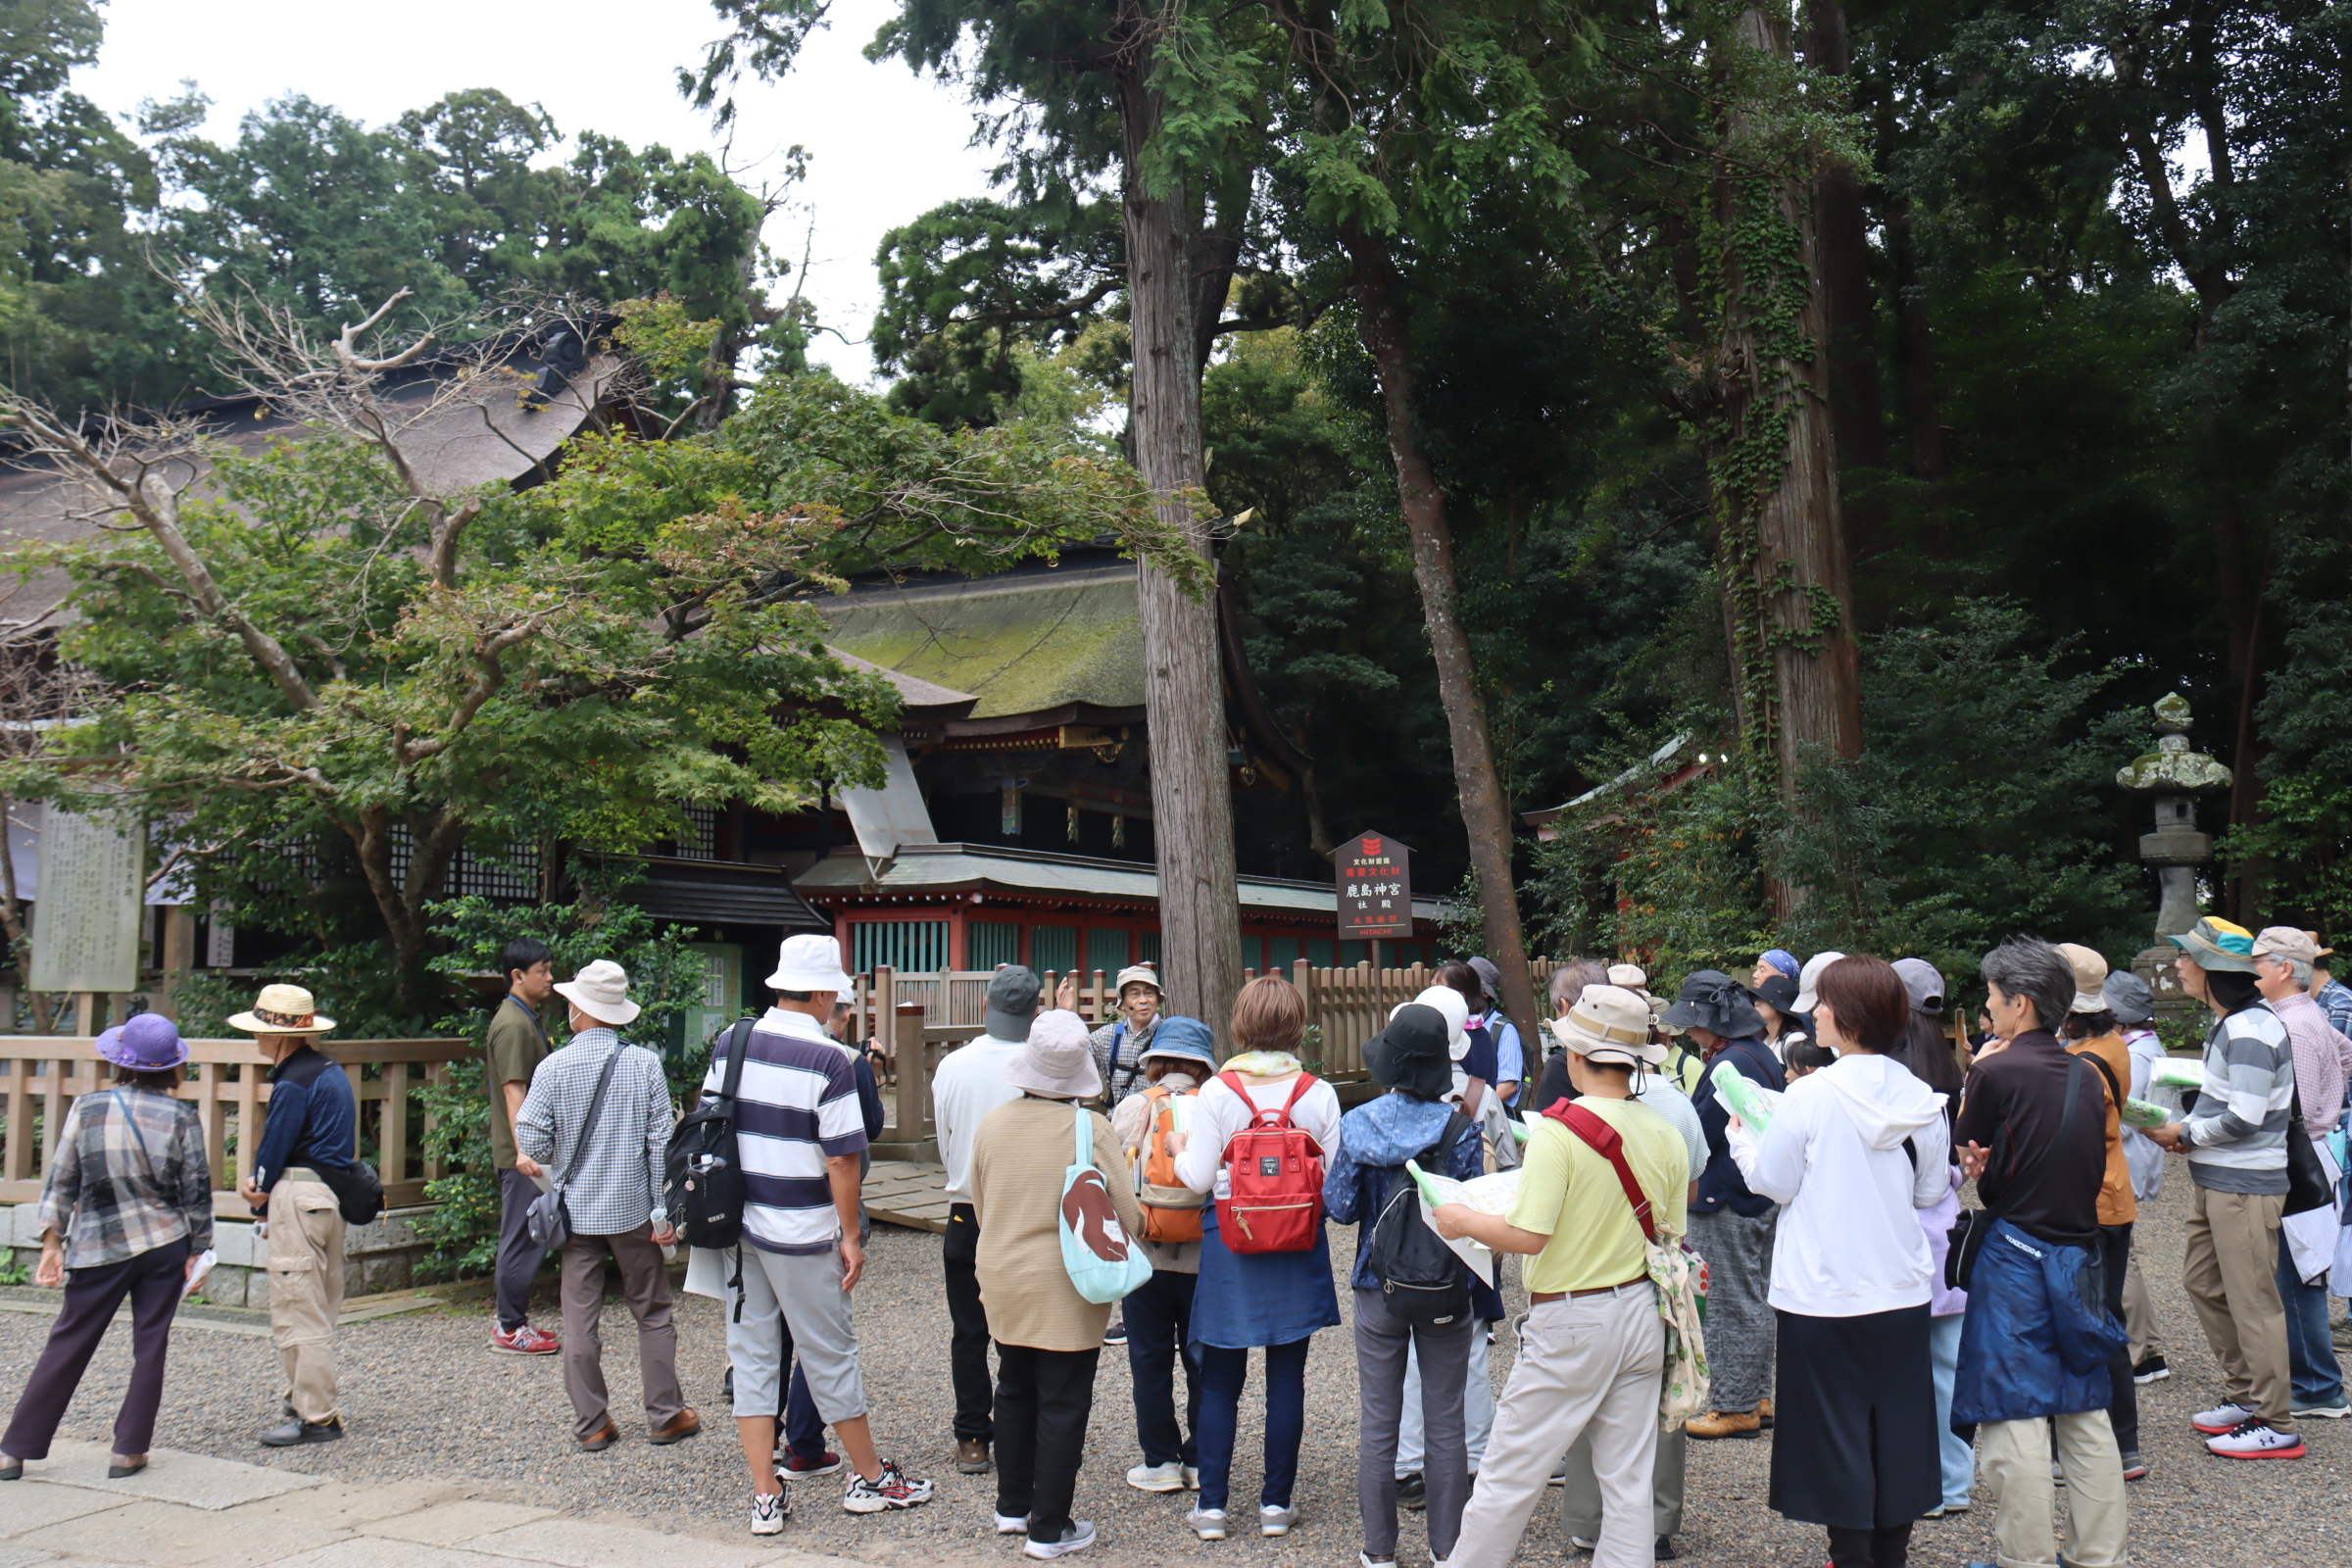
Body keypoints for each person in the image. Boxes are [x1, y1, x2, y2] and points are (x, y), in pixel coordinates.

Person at [1434, 985, 1689, 1568]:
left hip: (1572, 1318)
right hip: (1644, 1314)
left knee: (1509, 1471)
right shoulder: (1665, 1131)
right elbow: (1671, 1231)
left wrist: (1462, 1218)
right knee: (1627, 1481)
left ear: (1575, 1057)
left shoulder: (1558, 1129)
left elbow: (1530, 1236)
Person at [1727, 955, 1951, 1568]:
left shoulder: (1809, 1097)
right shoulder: (1923, 1100)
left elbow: (1774, 1183)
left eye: (1823, 1003)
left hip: (1821, 1293)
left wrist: (1742, 1137)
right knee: (1899, 1429)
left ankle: (1847, 1556)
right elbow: (1929, 1194)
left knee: (1833, 1433)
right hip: (1900, 1289)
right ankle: (1891, 1555)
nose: (1815, 1012)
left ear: (1847, 1018)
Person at [1952, 938, 2130, 1568]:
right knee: (2083, 1410)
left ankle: (2023, 1558)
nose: (1987, 1008)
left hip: (2015, 1255)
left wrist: (1980, 1163)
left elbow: (1968, 1149)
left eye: (1993, 997)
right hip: (2078, 1257)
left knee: (2014, 1414)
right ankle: (2097, 1556)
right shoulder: (2089, 1074)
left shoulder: (1994, 1070)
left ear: (2019, 1003)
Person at [0, 1015, 212, 1481]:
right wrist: (199, 1250)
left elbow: (62, 1177)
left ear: (121, 1061)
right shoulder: (182, 1117)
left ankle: (15, 1450)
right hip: (164, 1242)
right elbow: (196, 1189)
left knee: (69, 1340)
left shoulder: (88, 1107)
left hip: (99, 1242)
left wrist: (52, 1242)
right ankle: (128, 1451)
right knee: (150, 1344)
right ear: (171, 1067)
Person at [1171, 975, 1344, 1542]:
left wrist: (1176, 1153)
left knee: (1220, 1377)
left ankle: (1215, 1508)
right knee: (1286, 1377)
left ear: (1241, 1025)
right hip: (1295, 1238)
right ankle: (1275, 1505)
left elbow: (1197, 1179)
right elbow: (1335, 1186)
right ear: (1297, 1027)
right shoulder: (1317, 1092)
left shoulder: (1218, 1092)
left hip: (1233, 1238)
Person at [970, 1009, 1145, 1559]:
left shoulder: (993, 1124)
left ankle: (1011, 1507)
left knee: (1014, 1386)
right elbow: (1129, 1218)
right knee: (1064, 1400)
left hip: (1002, 1273)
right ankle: (1050, 1527)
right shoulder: (1089, 1128)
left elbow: (980, 1203)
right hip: (1066, 1281)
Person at [1323, 1003, 1485, 1568]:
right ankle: (1447, 1549)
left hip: (1376, 1283)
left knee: (1379, 1419)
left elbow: (1340, 1207)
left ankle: (1379, 1552)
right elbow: (1474, 1210)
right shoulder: (1462, 1129)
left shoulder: (1358, 1123)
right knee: (1446, 1421)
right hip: (1444, 1285)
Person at [513, 959, 693, 1453]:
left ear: (577, 1009)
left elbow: (533, 1142)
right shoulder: (645, 1064)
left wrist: (558, 1154)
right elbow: (662, 1143)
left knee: (579, 1320)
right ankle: (665, 1415)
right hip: (634, 1209)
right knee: (652, 1311)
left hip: (576, 1214)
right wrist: (662, 1212)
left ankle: (592, 1422)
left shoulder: (552, 1067)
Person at [2144, 916, 2304, 1457]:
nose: (2179, 965)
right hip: (2222, 1180)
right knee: (2203, 1283)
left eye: (2187, 957)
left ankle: (2275, 1421)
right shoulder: (2234, 1022)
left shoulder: (2249, 1028)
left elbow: (2248, 1117)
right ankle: (2247, 1397)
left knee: (2254, 1300)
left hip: (2244, 1185)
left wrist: (2182, 1132)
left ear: (2213, 967)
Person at [1558, 1007, 1705, 1562]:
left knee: (1584, 1405)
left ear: (1579, 1053)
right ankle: (1657, 1521)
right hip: (1658, 1277)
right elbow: (1686, 1204)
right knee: (1656, 1403)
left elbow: (1536, 1224)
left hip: (1582, 1279)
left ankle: (1586, 1521)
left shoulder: (1562, 1121)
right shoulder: (1672, 1111)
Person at [230, 984, 357, 1446]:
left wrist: (257, 1188)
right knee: (317, 1304)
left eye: (261, 1032)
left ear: (277, 1035)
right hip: (328, 1197)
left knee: (297, 1309)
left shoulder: (293, 1081)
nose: (257, 1040)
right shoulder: (329, 1071)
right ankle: (303, 1396)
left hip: (298, 1196)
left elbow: (275, 1145)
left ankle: (317, 1415)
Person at [1667, 969, 1784, 1440]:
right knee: (1754, 1296)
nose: (1688, 1032)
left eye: (1692, 1023)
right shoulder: (1759, 1052)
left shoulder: (1728, 1065)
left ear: (1711, 1019)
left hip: (1727, 1197)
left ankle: (1735, 1405)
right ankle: (1757, 1396)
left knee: (1731, 1301)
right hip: (1758, 1192)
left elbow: (1702, 1134)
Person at [932, 964, 1039, 1474]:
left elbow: (946, 1142)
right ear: (1035, 1010)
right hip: (1026, 1213)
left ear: (985, 1006)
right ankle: (1026, 1427)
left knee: (969, 1331)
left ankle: (973, 1436)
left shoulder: (953, 1065)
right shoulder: (1041, 1066)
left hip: (966, 1210)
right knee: (1023, 1328)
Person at [1107, 1015, 1217, 1493]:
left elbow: (1112, 1178)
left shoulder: (1135, 1106)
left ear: (1156, 1062)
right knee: (1202, 1361)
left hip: (1145, 1253)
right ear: (1201, 1066)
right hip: (1203, 1255)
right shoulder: (1215, 1106)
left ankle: (1159, 1463)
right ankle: (1197, 1459)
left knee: (1148, 1359)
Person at [2249, 926, 2349, 1420]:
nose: (2252, 970)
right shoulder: (2308, 1013)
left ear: (2284, 969)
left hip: (2301, 1155)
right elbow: (2346, 1055)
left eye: (2259, 962)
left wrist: (2323, 1111)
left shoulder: (2292, 1023)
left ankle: (2318, 1385)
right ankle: (2315, 1380)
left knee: (2295, 1273)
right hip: (2315, 1152)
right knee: (2299, 1268)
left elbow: (2302, 1107)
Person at [2053, 943, 2145, 1478]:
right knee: (2105, 1317)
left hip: (2086, 1201)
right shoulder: (2114, 1043)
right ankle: (2123, 1444)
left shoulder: (2077, 1063)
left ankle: (2100, 1447)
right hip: (2115, 1195)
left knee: (2086, 1321)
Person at [1887, 958, 1973, 1518]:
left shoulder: (1886, 1074)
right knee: (1948, 1373)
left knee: (1899, 1374)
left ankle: (1918, 1484)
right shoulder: (1951, 1068)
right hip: (1946, 1235)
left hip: (1899, 1239)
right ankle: (1954, 1484)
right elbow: (1956, 1167)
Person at [484, 936, 561, 1357]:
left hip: (525, 1151)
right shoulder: (513, 1024)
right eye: (542, 971)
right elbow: (515, 1092)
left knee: (528, 1236)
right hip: (521, 1155)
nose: (549, 978)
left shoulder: (524, 1016)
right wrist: (525, 1151)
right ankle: (509, 1326)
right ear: (518, 976)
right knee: (519, 1238)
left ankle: (515, 1321)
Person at [2104, 971, 2171, 1384]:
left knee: (2121, 1260)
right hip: (2133, 1162)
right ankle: (2149, 1351)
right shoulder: (2143, 1047)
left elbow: (2127, 1116)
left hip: (2127, 1162)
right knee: (2125, 1258)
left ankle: (2138, 1353)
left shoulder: (2137, 1055)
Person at [1070, 962, 1162, 1109]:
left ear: (1158, 999)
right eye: (1135, 994)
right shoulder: (1108, 1036)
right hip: (1118, 1126)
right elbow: (1070, 1062)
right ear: (1123, 1003)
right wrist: (1064, 1015)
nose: (1143, 1000)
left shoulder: (1169, 1037)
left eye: (1149, 993)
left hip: (1156, 1126)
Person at [1467, 956, 1526, 1111]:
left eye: (1468, 985)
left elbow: (1509, 1086)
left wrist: (1473, 1110)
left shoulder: (1503, 1029)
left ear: (1485, 993)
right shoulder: (1455, 1023)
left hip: (1490, 1120)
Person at [1753, 973, 1808, 1065]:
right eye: (1756, 998)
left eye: (1762, 999)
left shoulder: (1794, 1040)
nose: (1756, 1003)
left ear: (1780, 1008)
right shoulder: (1762, 1040)